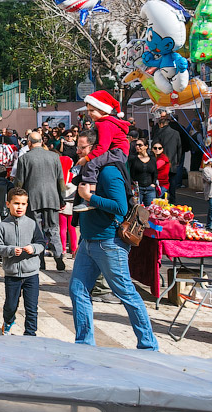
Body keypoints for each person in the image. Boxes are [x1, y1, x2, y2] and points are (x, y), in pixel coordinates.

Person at [67, 136, 159, 351]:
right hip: (89, 241)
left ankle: (148, 345)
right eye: (78, 148)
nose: (78, 151)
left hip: (109, 242)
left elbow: (120, 207)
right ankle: (84, 343)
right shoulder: (90, 171)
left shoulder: (109, 172)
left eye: (82, 148)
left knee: (125, 293)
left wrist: (89, 197)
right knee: (77, 290)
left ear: (97, 148)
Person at [10, 131, 66, 271]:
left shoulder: (25, 158)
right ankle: (58, 257)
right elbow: (60, 179)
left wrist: (16, 196)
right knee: (53, 229)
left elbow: (20, 181)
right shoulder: (54, 157)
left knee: (36, 230)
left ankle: (40, 260)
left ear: (29, 143)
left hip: (33, 198)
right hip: (52, 198)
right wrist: (62, 198)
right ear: (42, 142)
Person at [0, 188, 46, 336]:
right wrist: (10, 250)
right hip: (12, 274)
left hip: (31, 274)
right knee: (11, 305)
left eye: (23, 204)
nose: (19, 207)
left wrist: (33, 248)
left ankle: (30, 333)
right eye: (16, 203)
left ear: (27, 205)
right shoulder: (2, 226)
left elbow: (42, 243)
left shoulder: (32, 224)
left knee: (31, 307)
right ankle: (8, 321)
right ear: (8, 204)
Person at [73, 90, 130, 213]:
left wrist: (86, 158)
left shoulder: (105, 124)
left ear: (103, 110)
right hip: (118, 151)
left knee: (92, 163)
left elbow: (102, 147)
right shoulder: (104, 122)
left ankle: (90, 196)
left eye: (92, 110)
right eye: (88, 111)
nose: (89, 114)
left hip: (117, 152)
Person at [152, 117, 181, 201]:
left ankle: (162, 197)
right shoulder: (176, 133)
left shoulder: (159, 132)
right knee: (172, 180)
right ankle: (172, 197)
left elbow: (155, 144)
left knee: (161, 180)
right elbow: (179, 147)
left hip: (161, 161)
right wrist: (178, 159)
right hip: (172, 160)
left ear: (160, 124)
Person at [127, 139, 159, 207]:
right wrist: (131, 184)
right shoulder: (132, 158)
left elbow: (155, 172)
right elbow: (128, 172)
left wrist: (153, 183)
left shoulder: (152, 159)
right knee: (136, 209)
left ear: (146, 146)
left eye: (140, 145)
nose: (137, 147)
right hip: (137, 189)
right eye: (136, 145)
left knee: (151, 209)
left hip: (150, 188)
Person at [58, 151, 77, 258]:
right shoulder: (73, 176)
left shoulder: (58, 178)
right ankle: (73, 249)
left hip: (61, 205)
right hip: (72, 205)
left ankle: (63, 249)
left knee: (62, 228)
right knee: (72, 228)